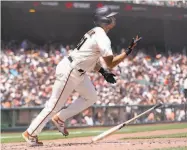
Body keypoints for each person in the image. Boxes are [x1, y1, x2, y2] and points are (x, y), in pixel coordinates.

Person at [22, 6, 142, 146]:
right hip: (70, 71)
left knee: (91, 97)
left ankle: (60, 118)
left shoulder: (95, 32)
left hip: (77, 71)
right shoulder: (102, 36)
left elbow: (90, 59)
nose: (114, 18)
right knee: (54, 105)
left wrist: (103, 72)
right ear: (106, 20)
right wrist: (128, 51)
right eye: (112, 16)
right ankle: (30, 133)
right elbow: (110, 63)